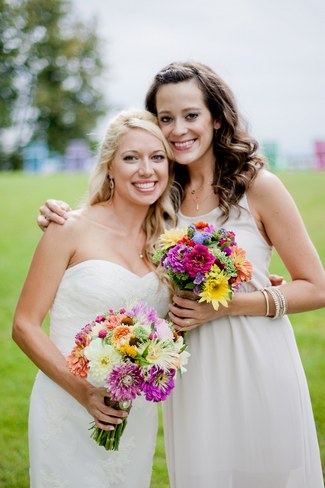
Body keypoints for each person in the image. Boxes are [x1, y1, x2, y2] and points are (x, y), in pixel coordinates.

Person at [37, 62, 325, 488]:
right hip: (188, 375)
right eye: (165, 118)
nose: (177, 130)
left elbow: (317, 286)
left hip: (255, 360)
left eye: (190, 115)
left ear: (217, 117)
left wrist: (231, 303)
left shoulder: (257, 186)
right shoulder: (160, 197)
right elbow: (107, 229)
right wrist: (57, 215)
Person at [12, 108, 177, 488]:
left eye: (157, 158)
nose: (146, 170)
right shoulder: (68, 228)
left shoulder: (168, 243)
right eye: (131, 158)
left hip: (133, 413)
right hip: (67, 402)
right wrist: (84, 392)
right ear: (110, 167)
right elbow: (24, 325)